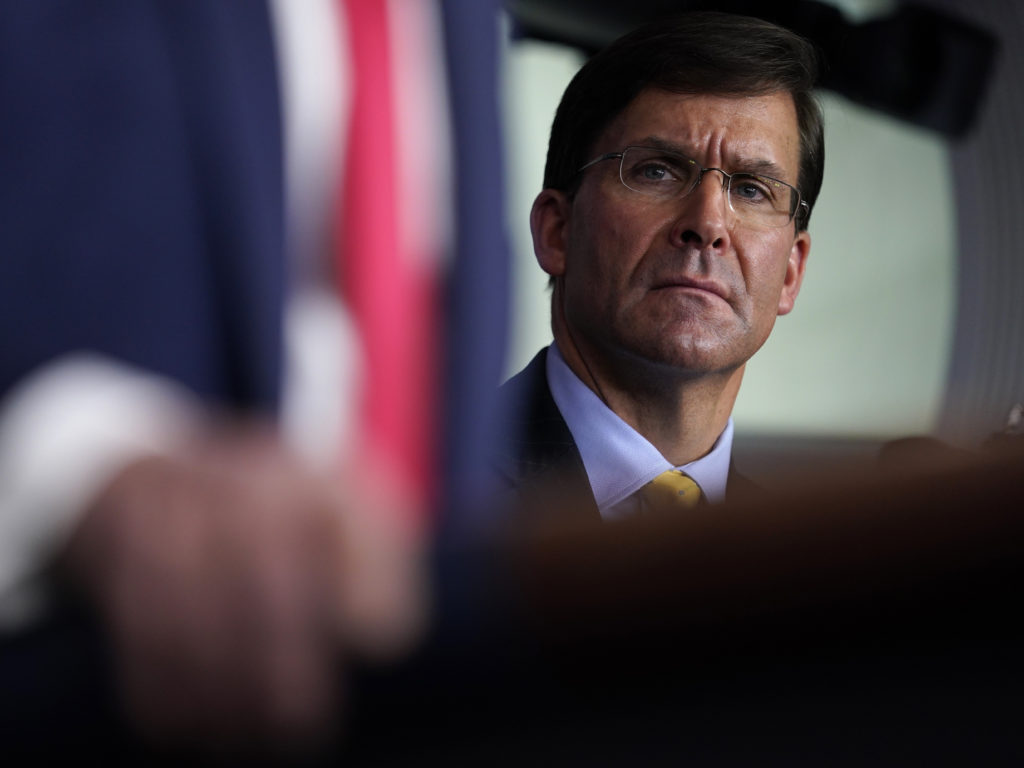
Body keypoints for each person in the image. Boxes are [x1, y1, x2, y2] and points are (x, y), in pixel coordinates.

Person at [494, 12, 823, 519]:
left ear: (789, 274)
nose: (708, 223)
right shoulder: (417, 488)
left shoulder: (812, 560)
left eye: (752, 189)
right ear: (557, 231)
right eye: (657, 172)